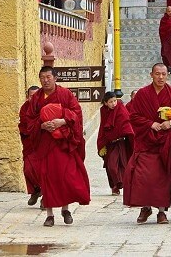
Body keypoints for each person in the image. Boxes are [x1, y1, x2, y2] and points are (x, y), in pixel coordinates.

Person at [23, 66, 90, 227]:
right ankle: (49, 214)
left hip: (63, 143)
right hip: (45, 143)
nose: (45, 80)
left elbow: (77, 113)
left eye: (48, 77)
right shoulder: (36, 98)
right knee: (48, 177)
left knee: (65, 176)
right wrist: (42, 125)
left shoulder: (65, 94)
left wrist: (63, 121)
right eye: (42, 78)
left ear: (55, 78)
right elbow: (29, 121)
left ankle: (65, 209)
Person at [123, 63, 171, 225]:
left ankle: (161, 212)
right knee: (143, 177)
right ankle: (145, 207)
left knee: (162, 179)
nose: (160, 77)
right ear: (151, 75)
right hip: (146, 142)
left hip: (164, 144)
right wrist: (150, 124)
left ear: (167, 75)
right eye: (157, 74)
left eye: (164, 74)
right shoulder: (143, 94)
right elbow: (133, 116)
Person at [97, 92, 135, 196]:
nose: (114, 103)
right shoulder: (103, 111)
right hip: (110, 143)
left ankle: (122, 185)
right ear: (105, 103)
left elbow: (126, 123)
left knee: (123, 165)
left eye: (114, 101)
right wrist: (102, 142)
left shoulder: (121, 108)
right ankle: (115, 186)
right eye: (110, 102)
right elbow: (103, 126)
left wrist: (130, 136)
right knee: (111, 166)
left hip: (121, 143)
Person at [18, 85, 41, 206]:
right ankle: (36, 190)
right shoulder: (24, 108)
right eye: (31, 96)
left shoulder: (44, 106)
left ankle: (46, 198)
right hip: (29, 142)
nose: (34, 98)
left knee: (44, 170)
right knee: (28, 169)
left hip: (42, 143)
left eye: (36, 95)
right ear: (27, 97)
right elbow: (23, 124)